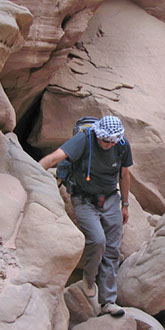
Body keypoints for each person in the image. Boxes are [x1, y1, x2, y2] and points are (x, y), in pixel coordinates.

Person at [39, 115, 132, 317]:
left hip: (110, 199)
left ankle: (108, 301)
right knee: (98, 241)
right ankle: (89, 279)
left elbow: (124, 174)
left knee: (112, 250)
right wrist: (33, 173)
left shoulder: (122, 144)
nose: (107, 144)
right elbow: (55, 157)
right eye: (104, 140)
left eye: (111, 141)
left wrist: (125, 204)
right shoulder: (84, 139)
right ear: (98, 134)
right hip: (84, 199)